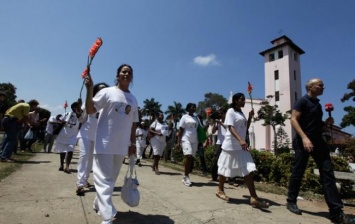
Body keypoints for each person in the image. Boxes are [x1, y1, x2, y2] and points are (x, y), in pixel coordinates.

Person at [286, 78, 354, 224]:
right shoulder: (302, 101)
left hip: (318, 142)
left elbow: (314, 124)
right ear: (311, 87)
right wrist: (304, 138)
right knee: (298, 171)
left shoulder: (317, 104)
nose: (324, 87)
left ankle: (336, 212)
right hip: (303, 142)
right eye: (320, 85)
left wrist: (325, 124)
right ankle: (291, 201)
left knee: (327, 173)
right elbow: (293, 119)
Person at [84, 64, 138, 224]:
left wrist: (132, 143)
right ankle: (108, 216)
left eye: (129, 72)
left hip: (121, 145)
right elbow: (89, 110)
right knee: (104, 180)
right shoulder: (107, 92)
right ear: (118, 74)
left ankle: (97, 204)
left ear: (132, 77)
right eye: (123, 71)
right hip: (105, 142)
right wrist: (90, 89)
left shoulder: (133, 99)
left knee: (111, 179)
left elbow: (134, 123)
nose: (126, 74)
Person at [216, 93, 269, 209]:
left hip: (241, 146)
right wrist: (240, 139)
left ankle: (254, 197)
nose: (244, 101)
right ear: (235, 100)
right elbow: (230, 127)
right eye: (241, 99)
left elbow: (245, 128)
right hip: (231, 145)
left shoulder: (241, 113)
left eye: (244, 100)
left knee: (248, 169)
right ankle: (220, 190)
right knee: (225, 168)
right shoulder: (231, 111)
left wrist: (249, 117)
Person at [76, 82, 109, 196]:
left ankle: (85, 180)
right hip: (85, 134)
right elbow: (81, 118)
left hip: (98, 136)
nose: (102, 91)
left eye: (104, 89)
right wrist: (79, 111)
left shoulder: (108, 105)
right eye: (99, 89)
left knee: (91, 160)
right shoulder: (89, 101)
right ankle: (80, 184)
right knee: (83, 156)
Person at [53, 101, 82, 173]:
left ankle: (67, 166)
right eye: (75, 107)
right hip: (64, 133)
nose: (76, 108)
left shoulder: (81, 115)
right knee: (62, 150)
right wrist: (60, 120)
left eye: (78, 107)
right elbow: (61, 120)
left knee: (70, 150)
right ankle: (61, 165)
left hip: (73, 134)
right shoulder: (66, 114)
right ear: (72, 108)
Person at [178, 103, 198, 187]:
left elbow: (199, 129)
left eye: (195, 107)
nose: (194, 108)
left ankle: (186, 175)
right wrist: (178, 141)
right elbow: (181, 129)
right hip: (186, 139)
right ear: (188, 108)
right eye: (192, 107)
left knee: (191, 158)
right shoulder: (184, 117)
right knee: (188, 156)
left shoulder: (196, 118)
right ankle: (186, 176)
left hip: (194, 140)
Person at [149, 111, 169, 175]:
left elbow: (167, 132)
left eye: (162, 115)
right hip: (155, 139)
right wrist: (157, 133)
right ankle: (156, 169)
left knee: (159, 155)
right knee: (156, 154)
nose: (162, 116)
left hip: (163, 140)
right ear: (157, 116)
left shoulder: (165, 124)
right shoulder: (155, 123)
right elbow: (150, 129)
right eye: (160, 115)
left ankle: (153, 165)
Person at [210, 107, 227, 182]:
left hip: (227, 143)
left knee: (228, 161)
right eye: (219, 114)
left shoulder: (228, 120)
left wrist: (220, 123)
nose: (220, 115)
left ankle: (230, 178)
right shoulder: (218, 122)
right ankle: (214, 177)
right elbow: (213, 132)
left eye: (221, 113)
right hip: (219, 143)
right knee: (215, 159)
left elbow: (229, 129)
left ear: (225, 113)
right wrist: (214, 122)